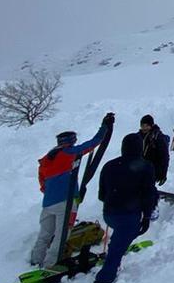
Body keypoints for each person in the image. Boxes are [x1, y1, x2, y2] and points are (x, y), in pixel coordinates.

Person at [31, 113, 114, 269]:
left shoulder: (46, 159)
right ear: (70, 142)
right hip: (66, 202)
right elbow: (93, 143)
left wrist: (51, 193)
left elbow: (42, 183)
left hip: (48, 203)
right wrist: (105, 127)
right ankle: (51, 265)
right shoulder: (69, 153)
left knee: (45, 234)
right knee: (62, 235)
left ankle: (35, 260)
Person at [93, 132, 159, 283]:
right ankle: (104, 278)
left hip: (109, 213)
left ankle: (119, 241)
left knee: (122, 233)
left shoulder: (109, 165)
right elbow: (149, 195)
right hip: (129, 216)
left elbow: (102, 195)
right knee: (120, 243)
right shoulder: (146, 167)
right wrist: (147, 217)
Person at [137, 115, 170, 186]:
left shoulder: (157, 138)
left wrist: (163, 174)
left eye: (147, 125)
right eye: (142, 125)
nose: (144, 128)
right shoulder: (137, 136)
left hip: (152, 169)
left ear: (151, 125)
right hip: (138, 168)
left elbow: (164, 157)